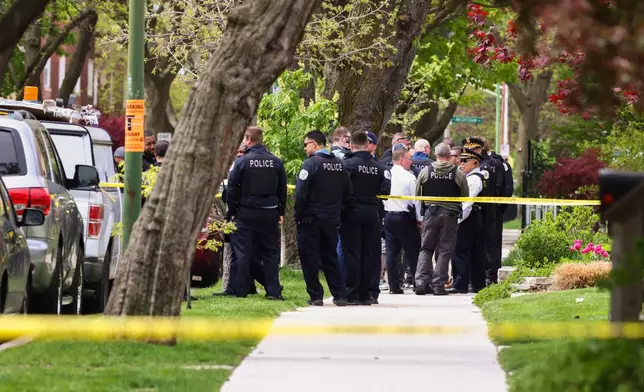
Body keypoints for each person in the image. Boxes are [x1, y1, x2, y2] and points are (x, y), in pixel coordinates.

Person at [227, 126, 287, 299]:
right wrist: (280, 211)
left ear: (248, 139)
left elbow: (232, 189)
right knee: (270, 253)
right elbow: (281, 188)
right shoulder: (275, 161)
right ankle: (273, 291)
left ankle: (240, 291)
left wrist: (233, 211)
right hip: (269, 212)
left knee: (243, 253)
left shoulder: (242, 161)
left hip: (246, 212)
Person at [295, 130, 353, 306]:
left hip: (310, 219)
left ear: (314, 144)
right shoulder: (339, 164)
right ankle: (339, 295)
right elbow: (348, 192)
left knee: (309, 257)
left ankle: (316, 296)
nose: (305, 148)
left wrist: (298, 215)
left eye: (306, 144)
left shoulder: (310, 164)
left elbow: (301, 194)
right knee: (330, 256)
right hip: (331, 218)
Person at [340, 131, 390, 305]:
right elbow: (386, 193)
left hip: (351, 213)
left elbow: (342, 190)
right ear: (367, 144)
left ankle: (352, 293)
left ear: (352, 145)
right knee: (369, 253)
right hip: (373, 213)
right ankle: (366, 293)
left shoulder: (347, 165)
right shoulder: (380, 167)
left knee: (352, 253)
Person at [414, 143, 469, 296]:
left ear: (435, 155)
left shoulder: (426, 171)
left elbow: (417, 194)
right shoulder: (457, 173)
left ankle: (421, 282)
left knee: (426, 248)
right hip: (450, 215)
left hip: (430, 214)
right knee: (445, 250)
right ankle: (438, 285)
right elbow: (465, 195)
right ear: (449, 156)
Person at [463, 136, 504, 285]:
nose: (468, 152)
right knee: (472, 246)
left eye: (472, 149)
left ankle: (491, 275)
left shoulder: (494, 164)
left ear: (479, 149)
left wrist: (499, 209)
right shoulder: (467, 165)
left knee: (489, 245)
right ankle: (472, 278)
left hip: (489, 210)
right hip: (473, 212)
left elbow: (502, 188)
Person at [383, 147, 422, 294]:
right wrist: (419, 218)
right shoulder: (409, 177)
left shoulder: (386, 174)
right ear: (401, 160)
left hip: (389, 217)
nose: (411, 161)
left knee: (392, 253)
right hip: (405, 218)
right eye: (408, 158)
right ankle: (418, 284)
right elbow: (416, 200)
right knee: (413, 252)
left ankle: (394, 286)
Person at [448, 149, 487, 293]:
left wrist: (457, 220)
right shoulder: (472, 176)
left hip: (469, 218)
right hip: (473, 218)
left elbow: (467, 203)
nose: (461, 163)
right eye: (461, 160)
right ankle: (476, 284)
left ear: (475, 162)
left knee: (461, 251)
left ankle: (461, 284)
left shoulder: (473, 179)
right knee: (474, 252)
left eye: (465, 161)